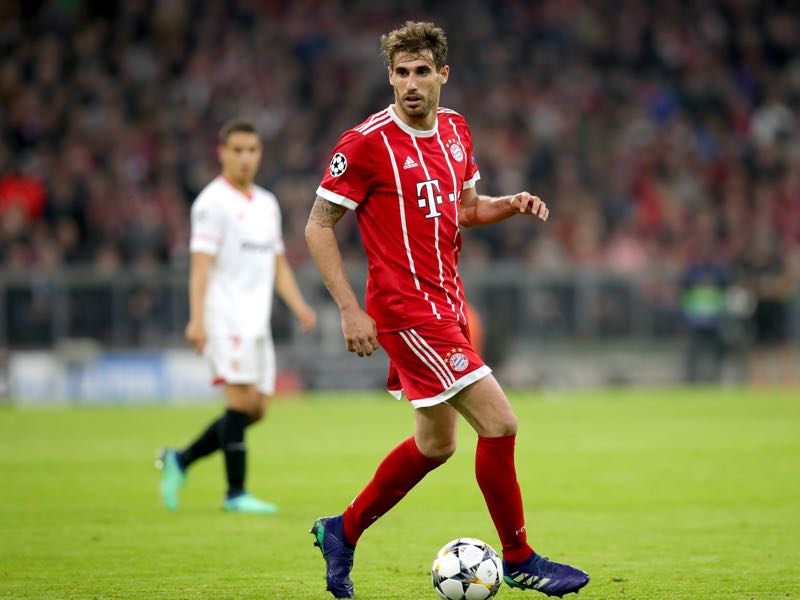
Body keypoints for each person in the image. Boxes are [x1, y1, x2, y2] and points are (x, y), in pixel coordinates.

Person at [304, 21, 589, 599]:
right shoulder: (365, 143)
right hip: (405, 311)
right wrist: (348, 308)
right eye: (401, 73)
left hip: (448, 305)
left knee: (437, 445)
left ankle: (343, 530)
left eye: (421, 72)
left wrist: (507, 204)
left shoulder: (457, 130)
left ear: (442, 75)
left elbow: (464, 210)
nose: (411, 83)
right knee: (501, 422)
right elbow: (317, 225)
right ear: (389, 76)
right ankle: (519, 557)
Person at [158, 118, 317, 513]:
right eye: (238, 150)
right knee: (239, 401)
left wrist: (298, 305)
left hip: (256, 321)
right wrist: (197, 319)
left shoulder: (266, 203)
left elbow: (277, 262)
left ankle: (180, 459)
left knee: (257, 408)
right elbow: (200, 266)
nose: (246, 158)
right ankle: (235, 493)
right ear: (222, 153)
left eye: (252, 150)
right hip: (224, 316)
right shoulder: (211, 203)